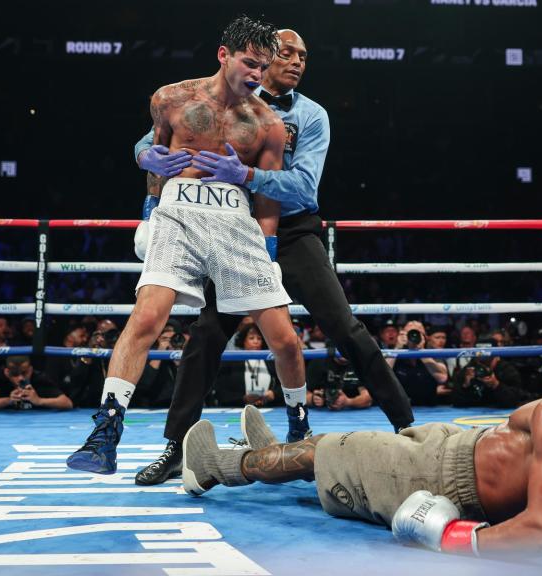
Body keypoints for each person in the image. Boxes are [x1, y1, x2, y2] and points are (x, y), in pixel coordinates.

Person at [130, 26, 413, 485]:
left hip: (295, 232)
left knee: (343, 326)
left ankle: (406, 424)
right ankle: (175, 448)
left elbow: (304, 186)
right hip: (234, 230)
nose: (297, 62)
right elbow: (152, 139)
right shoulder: (220, 99)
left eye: (304, 55)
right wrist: (147, 156)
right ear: (259, 58)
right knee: (206, 336)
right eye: (286, 53)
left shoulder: (312, 116)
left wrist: (244, 174)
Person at [182, 295, 542, 557]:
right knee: (349, 444)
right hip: (458, 449)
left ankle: (217, 466)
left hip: (440, 478)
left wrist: (451, 536)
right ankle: (278, 454)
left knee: (328, 450)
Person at [67, 15, 307, 475]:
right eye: (249, 63)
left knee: (286, 340)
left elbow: (269, 196)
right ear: (224, 55)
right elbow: (155, 160)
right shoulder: (170, 99)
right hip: (178, 212)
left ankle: (299, 430)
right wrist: (147, 207)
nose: (256, 75)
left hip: (235, 220)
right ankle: (106, 432)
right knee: (147, 316)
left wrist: (270, 247)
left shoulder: (268, 125)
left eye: (262, 66)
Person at [213, 324, 280, 407]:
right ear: (243, 341)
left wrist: (273, 394)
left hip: (271, 407)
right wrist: (242, 398)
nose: (256, 341)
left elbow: (283, 385)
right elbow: (221, 389)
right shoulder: (232, 361)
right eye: (251, 338)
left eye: (259, 338)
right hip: (237, 407)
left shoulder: (271, 361)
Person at [0, 356, 72, 410]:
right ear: (7, 372)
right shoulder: (0, 377)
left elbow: (67, 403)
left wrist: (39, 401)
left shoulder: (39, 379)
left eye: (24, 373)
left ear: (30, 370)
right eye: (15, 374)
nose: (20, 378)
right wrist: (8, 400)